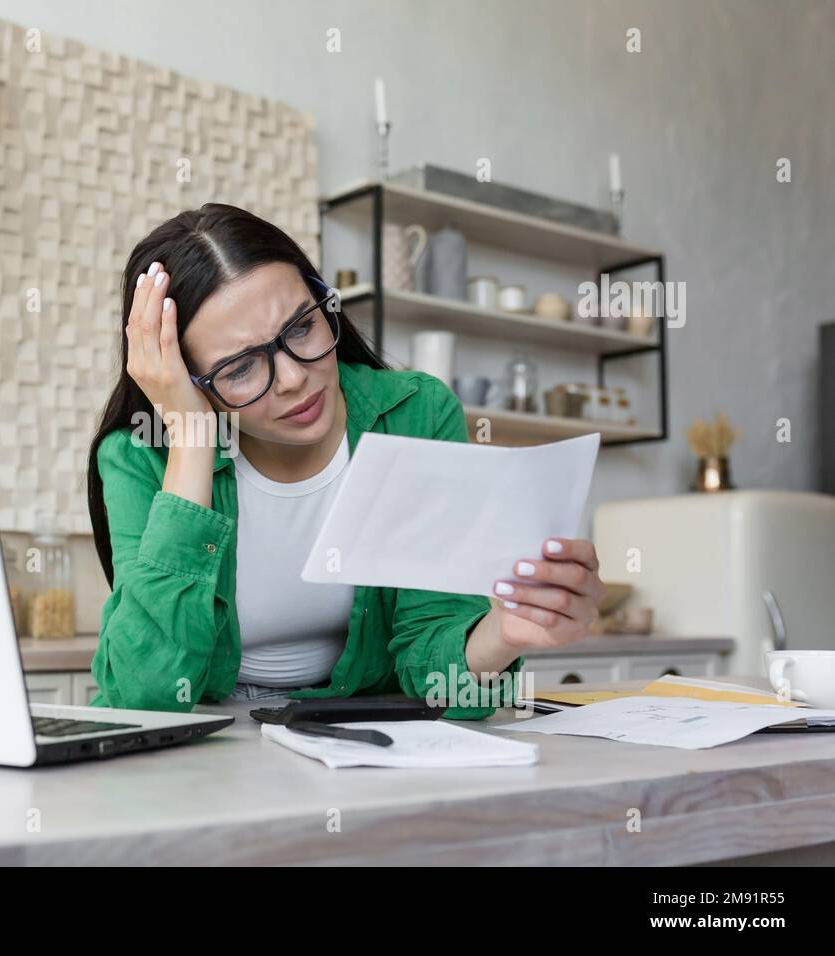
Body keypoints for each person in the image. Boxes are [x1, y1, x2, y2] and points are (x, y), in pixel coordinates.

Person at [85, 203, 603, 717]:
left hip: (361, 743)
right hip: (210, 756)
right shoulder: (139, 455)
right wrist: (192, 439)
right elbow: (141, 695)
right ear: (182, 379)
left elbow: (437, 674)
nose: (292, 378)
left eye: (301, 329)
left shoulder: (415, 412)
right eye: (240, 368)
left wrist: (503, 634)